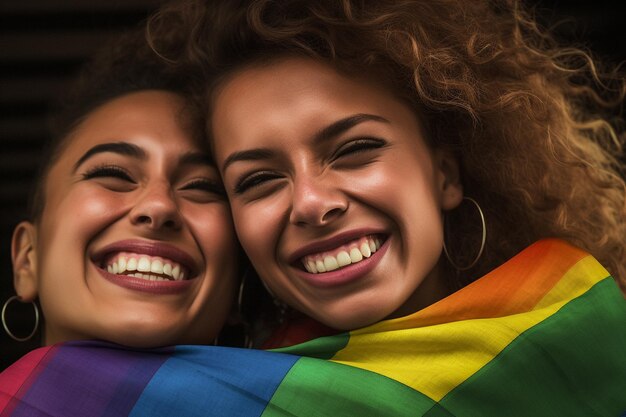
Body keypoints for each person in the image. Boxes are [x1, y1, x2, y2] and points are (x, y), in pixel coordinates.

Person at [146, 0, 626, 414]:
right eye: (259, 180)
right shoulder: (223, 402)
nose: (312, 203)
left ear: (446, 175)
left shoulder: (594, 332)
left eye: (353, 150)